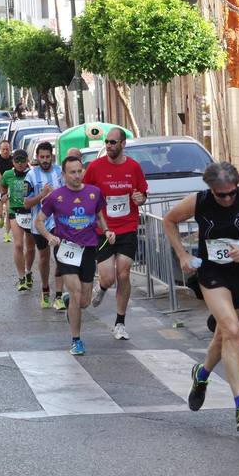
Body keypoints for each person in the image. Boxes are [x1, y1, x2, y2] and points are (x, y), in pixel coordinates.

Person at [163, 162, 239, 432]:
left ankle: (201, 374)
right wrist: (182, 254)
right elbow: (169, 220)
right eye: (221, 194)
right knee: (230, 328)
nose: (227, 199)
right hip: (211, 272)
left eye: (231, 193)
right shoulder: (199, 201)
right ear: (211, 189)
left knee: (223, 336)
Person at [36, 156, 114, 356]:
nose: (77, 175)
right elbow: (39, 221)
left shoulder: (94, 193)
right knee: (77, 291)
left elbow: (98, 216)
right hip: (66, 250)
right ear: (63, 175)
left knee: (84, 301)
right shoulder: (55, 197)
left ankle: (71, 302)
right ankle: (76, 340)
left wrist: (106, 231)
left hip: (88, 249)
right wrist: (49, 236)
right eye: (72, 172)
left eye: (80, 171)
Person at [85, 129, 149, 341]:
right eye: (107, 142)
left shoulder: (134, 167)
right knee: (109, 277)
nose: (109, 145)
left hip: (127, 227)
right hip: (103, 230)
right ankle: (102, 287)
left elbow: (142, 194)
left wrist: (141, 198)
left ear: (123, 144)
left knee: (123, 273)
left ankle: (120, 323)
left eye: (113, 142)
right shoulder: (95, 167)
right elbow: (86, 192)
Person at [23, 142, 66, 311]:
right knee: (44, 259)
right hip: (39, 225)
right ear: (37, 157)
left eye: (48, 157)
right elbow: (26, 203)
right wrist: (42, 194)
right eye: (42, 157)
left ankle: (59, 296)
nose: (45, 160)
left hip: (59, 223)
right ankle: (45, 289)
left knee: (60, 257)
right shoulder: (31, 176)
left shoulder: (59, 173)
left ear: (52, 156)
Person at [1, 150, 37, 292]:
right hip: (14, 211)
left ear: (27, 160)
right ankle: (21, 277)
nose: (20, 164)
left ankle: (28, 272)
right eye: (17, 161)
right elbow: (3, 185)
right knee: (17, 245)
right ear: (13, 162)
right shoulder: (7, 174)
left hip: (30, 212)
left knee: (30, 247)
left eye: (23, 160)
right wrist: (3, 194)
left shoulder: (33, 174)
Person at [0, 140, 14, 234]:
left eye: (7, 149)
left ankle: (7, 234)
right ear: (0, 150)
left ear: (10, 149)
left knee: (10, 212)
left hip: (9, 189)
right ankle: (1, 217)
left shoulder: (13, 160)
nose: (5, 151)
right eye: (3, 149)